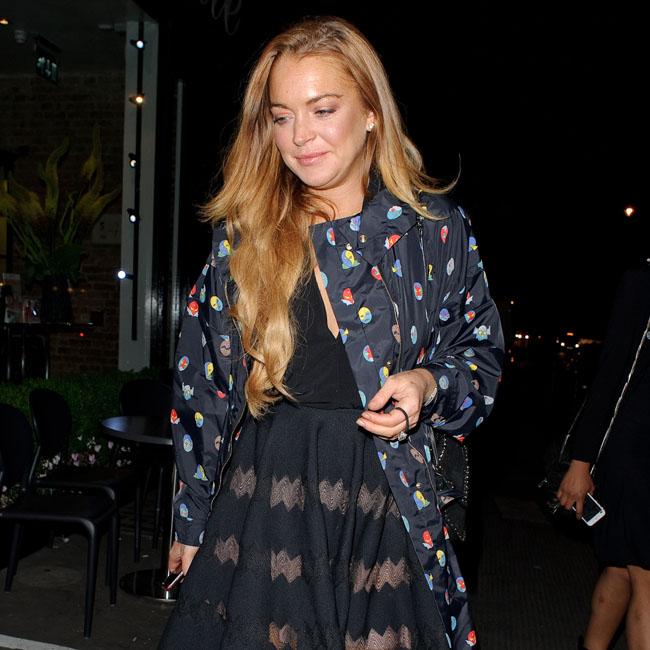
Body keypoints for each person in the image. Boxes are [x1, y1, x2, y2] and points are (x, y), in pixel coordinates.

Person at [158, 15, 504, 649]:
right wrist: (190, 518)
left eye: (322, 110)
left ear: (371, 112)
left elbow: (481, 357)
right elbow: (202, 388)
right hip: (270, 494)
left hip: (388, 497)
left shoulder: (433, 229)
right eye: (282, 116)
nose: (300, 136)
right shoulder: (244, 235)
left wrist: (426, 383)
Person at [557, 261, 650, 650]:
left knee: (623, 568)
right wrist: (581, 461)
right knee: (641, 573)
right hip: (635, 451)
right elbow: (611, 373)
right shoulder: (643, 282)